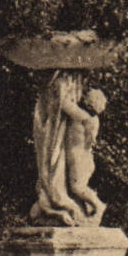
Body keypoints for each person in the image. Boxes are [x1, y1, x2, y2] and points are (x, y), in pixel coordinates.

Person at [31, 70, 94, 226]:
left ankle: (65, 207)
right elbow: (64, 104)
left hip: (56, 137)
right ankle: (62, 206)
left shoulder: (54, 85)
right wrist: (86, 118)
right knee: (54, 174)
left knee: (57, 174)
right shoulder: (57, 84)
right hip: (52, 138)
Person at [65, 87, 107, 225]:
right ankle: (81, 213)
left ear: (90, 103)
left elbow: (64, 104)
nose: (83, 98)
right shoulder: (93, 119)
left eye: (87, 97)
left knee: (77, 188)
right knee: (74, 189)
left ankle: (98, 205)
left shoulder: (82, 116)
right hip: (81, 158)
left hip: (80, 159)